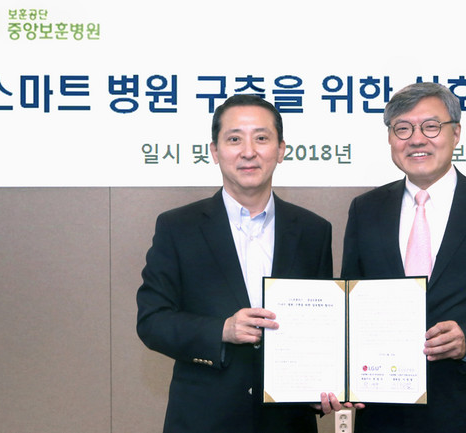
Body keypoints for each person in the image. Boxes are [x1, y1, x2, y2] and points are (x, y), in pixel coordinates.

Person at [341, 82, 466, 433]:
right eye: (403, 128)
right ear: (390, 138)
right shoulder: (366, 210)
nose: (416, 139)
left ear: (456, 133)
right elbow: (350, 301)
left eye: (431, 126)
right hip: (382, 413)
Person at [137, 94, 341, 433]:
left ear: (281, 149)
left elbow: (321, 327)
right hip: (204, 421)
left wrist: (323, 387)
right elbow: (152, 321)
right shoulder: (178, 227)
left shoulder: (313, 230)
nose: (248, 151)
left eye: (261, 138)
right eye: (234, 139)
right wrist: (223, 330)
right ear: (215, 151)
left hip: (287, 423)